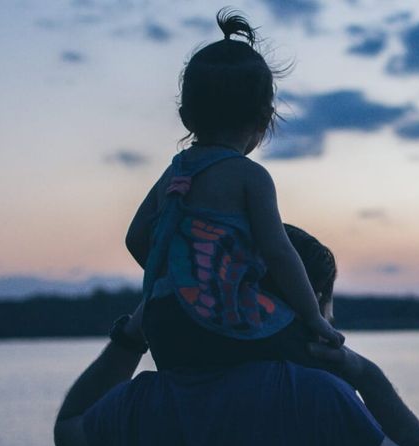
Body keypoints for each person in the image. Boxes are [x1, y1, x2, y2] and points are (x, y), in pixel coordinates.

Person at [54, 225, 419, 446]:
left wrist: (133, 334)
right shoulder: (313, 398)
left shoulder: (138, 406)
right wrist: (366, 376)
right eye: (327, 319)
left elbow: (69, 429)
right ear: (306, 310)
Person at [125, 9, 342, 375]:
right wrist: (313, 317)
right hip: (221, 320)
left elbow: (135, 239)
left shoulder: (174, 173)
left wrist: (182, 277)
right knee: (317, 361)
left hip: (162, 324)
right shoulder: (249, 176)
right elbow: (279, 252)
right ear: (264, 118)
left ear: (185, 117)